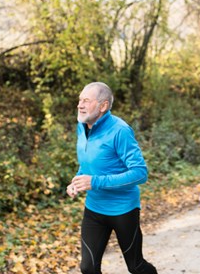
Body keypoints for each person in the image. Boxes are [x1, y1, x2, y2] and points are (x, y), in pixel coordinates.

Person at [66, 82, 158, 274]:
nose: (79, 105)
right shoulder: (81, 127)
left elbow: (140, 173)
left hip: (123, 209)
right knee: (88, 268)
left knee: (136, 266)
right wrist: (77, 181)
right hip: (94, 209)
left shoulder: (120, 130)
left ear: (103, 106)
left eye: (86, 101)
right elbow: (87, 164)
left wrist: (95, 182)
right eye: (79, 100)